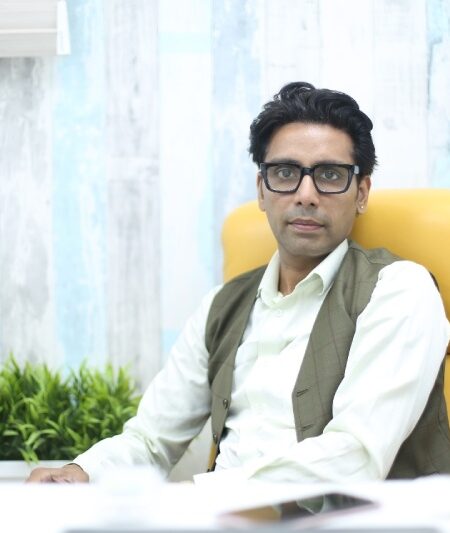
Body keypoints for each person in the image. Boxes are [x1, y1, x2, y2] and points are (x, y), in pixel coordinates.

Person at [28, 82, 450, 484]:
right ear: (262, 190)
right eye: (285, 172)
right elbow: (151, 440)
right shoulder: (222, 306)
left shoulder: (398, 290)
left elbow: (354, 458)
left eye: (330, 175)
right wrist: (81, 473)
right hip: (215, 516)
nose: (306, 194)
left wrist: (203, 496)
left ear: (361, 193)